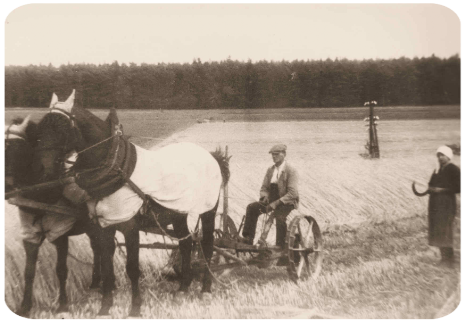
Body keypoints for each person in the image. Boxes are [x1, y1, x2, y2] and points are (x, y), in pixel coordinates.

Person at [240, 144, 299, 247]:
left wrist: (276, 203)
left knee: (280, 218)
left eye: (276, 154)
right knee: (252, 208)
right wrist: (264, 197)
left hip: (287, 202)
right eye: (272, 155)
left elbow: (293, 193)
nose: (274, 157)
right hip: (271, 201)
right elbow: (264, 188)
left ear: (284, 154)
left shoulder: (291, 170)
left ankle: (280, 247)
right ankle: (248, 239)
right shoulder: (270, 170)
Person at [428, 145, 463, 267]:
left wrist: (441, 190)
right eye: (438, 155)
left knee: (445, 231)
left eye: (442, 155)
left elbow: (459, 188)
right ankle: (444, 259)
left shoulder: (454, 169)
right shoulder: (437, 170)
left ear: (448, 156)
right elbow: (431, 184)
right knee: (438, 230)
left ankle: (449, 260)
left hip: (447, 205)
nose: (440, 158)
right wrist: (430, 189)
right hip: (436, 205)